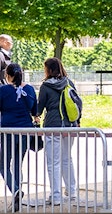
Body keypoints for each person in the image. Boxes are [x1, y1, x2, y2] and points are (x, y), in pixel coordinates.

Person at [37, 57, 79, 205]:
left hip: (53, 126)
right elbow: (77, 102)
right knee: (67, 158)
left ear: (48, 69)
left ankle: (55, 196)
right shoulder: (69, 82)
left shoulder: (45, 86)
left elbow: (39, 108)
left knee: (53, 162)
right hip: (70, 125)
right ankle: (72, 191)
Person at [0, 64, 36, 210]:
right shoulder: (30, 89)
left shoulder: (3, 90)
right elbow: (35, 110)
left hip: (8, 130)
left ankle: (15, 190)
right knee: (17, 163)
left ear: (7, 75)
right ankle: (16, 197)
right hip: (25, 130)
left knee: (3, 164)